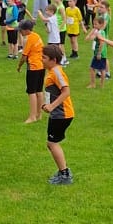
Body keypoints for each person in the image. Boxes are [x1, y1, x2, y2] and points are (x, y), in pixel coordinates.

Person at [40, 42, 75, 184]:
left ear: (53, 60)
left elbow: (66, 91)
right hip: (57, 114)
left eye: (44, 57)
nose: (41, 59)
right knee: (51, 143)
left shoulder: (57, 72)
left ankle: (65, 174)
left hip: (62, 114)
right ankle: (63, 172)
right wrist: (46, 104)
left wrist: (52, 106)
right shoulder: (52, 71)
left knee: (52, 143)